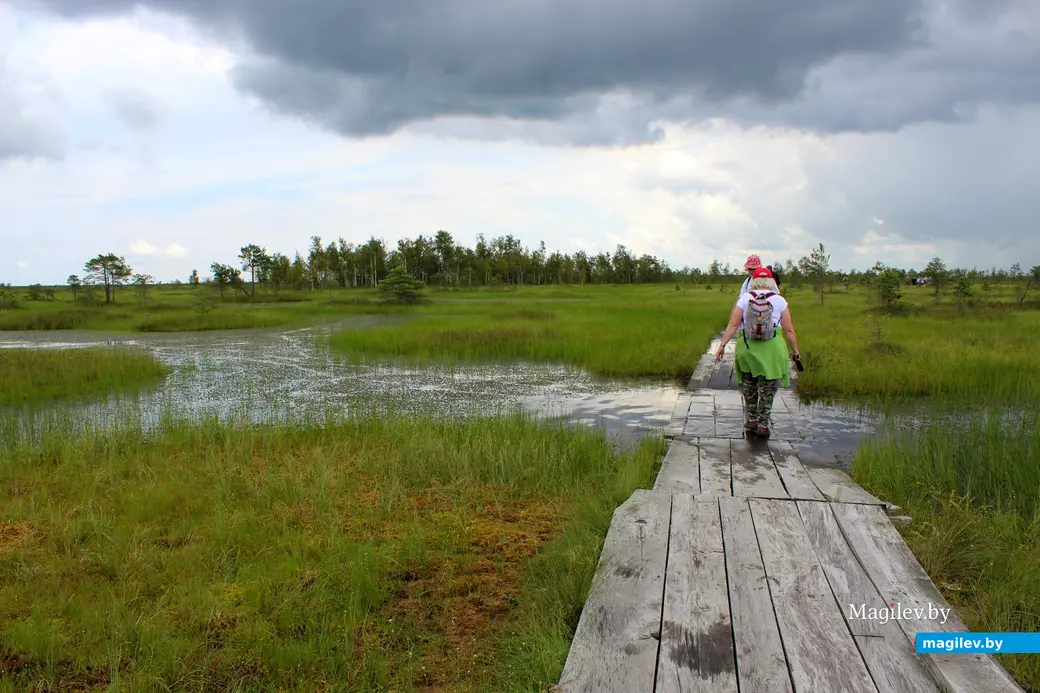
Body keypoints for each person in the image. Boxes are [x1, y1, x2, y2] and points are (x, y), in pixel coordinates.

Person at [714, 267, 801, 438]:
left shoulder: (745, 298)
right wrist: (795, 350)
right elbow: (789, 329)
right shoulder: (779, 300)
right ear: (772, 282)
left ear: (753, 281)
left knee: (749, 385)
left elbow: (733, 324)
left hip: (747, 347)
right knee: (767, 389)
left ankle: (751, 420)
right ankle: (763, 425)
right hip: (772, 349)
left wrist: (722, 345)